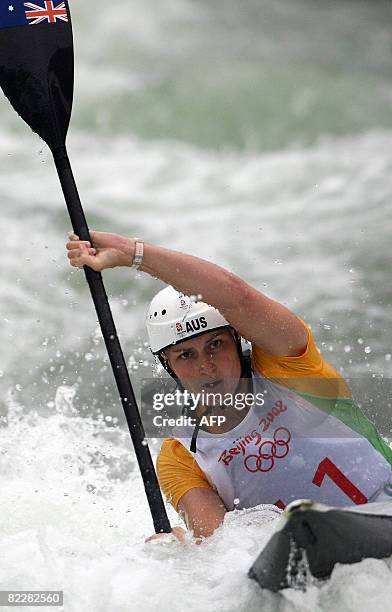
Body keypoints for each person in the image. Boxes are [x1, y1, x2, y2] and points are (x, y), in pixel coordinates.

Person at [66, 231, 392, 544]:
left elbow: (235, 295)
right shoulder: (181, 456)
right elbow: (221, 547)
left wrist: (133, 253)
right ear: (169, 367)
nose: (206, 366)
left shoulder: (289, 364)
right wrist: (183, 554)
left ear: (237, 342)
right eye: (186, 355)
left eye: (216, 345)